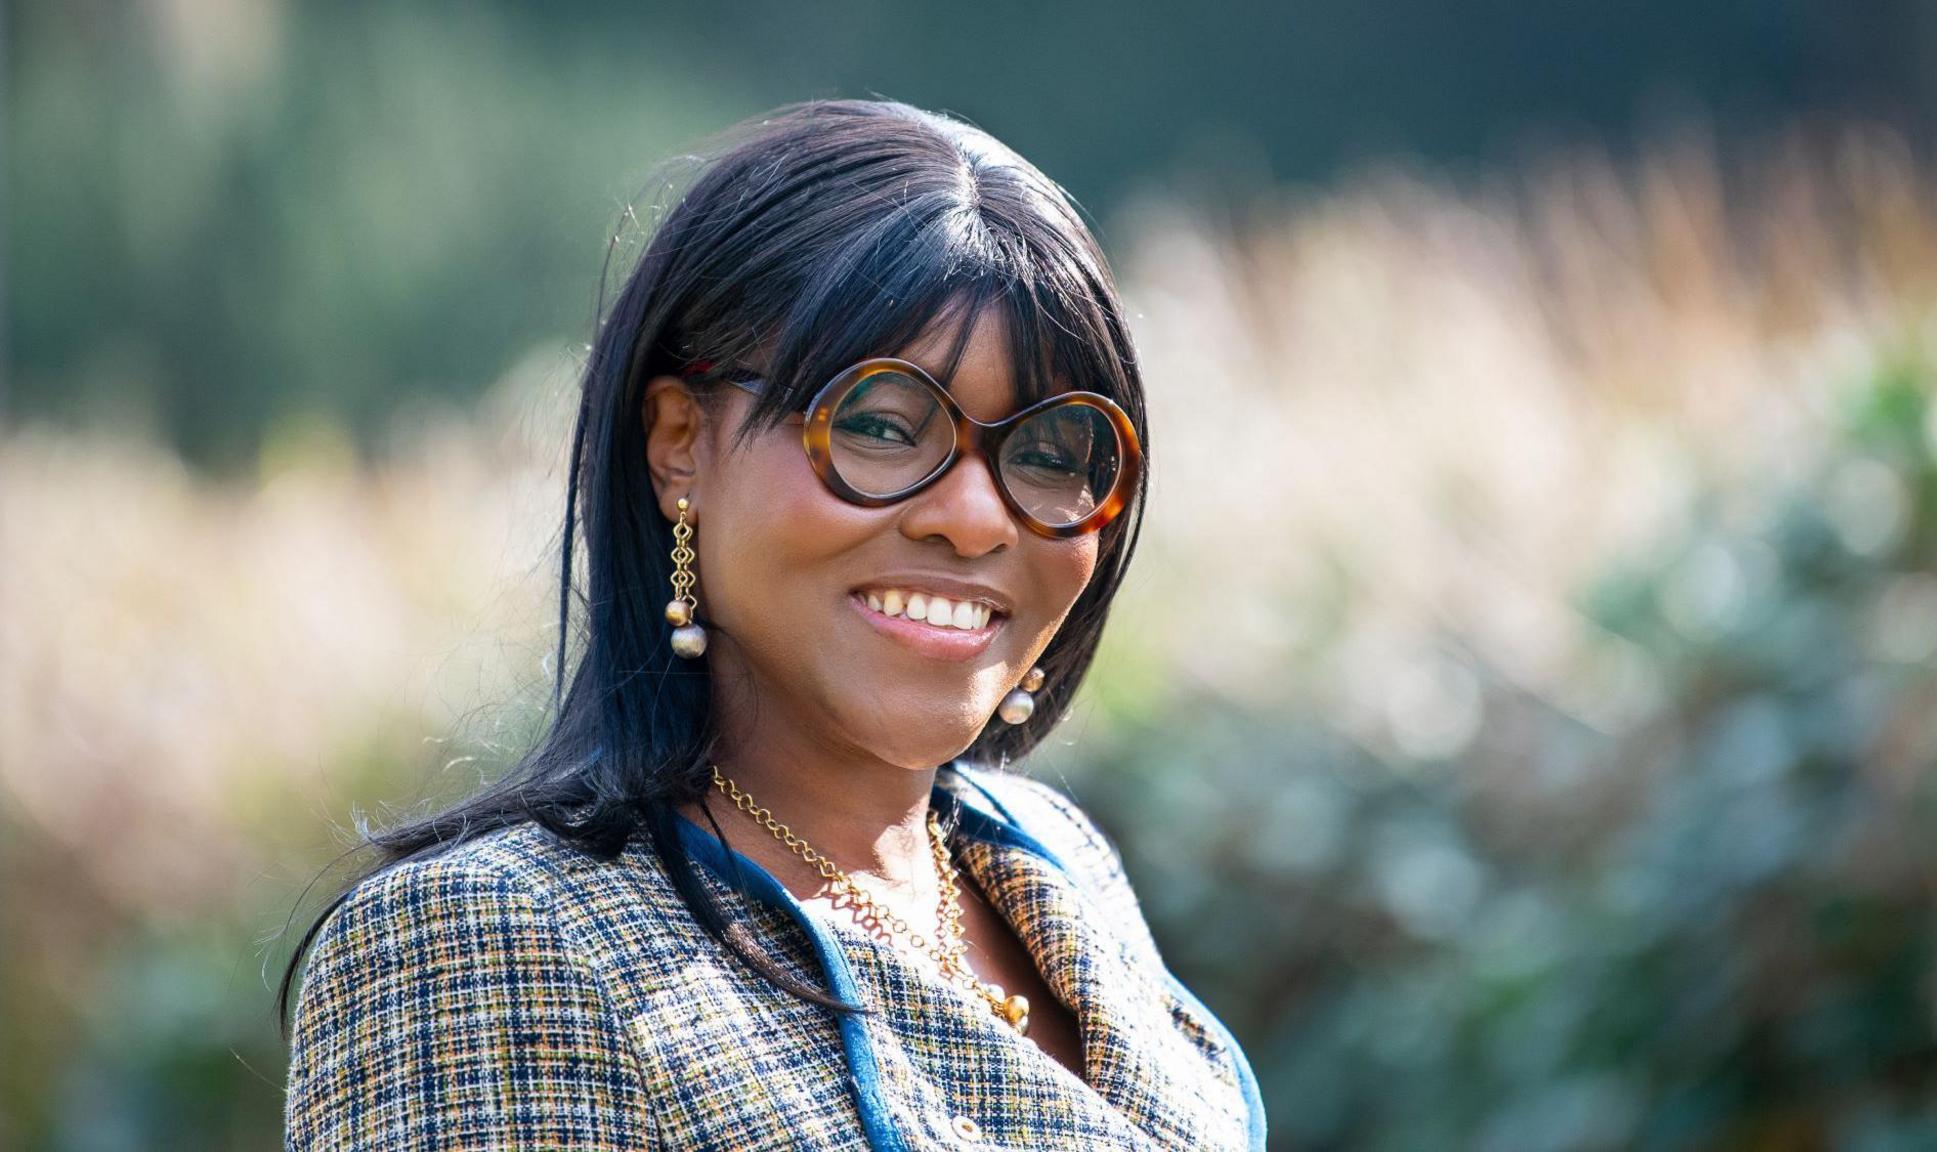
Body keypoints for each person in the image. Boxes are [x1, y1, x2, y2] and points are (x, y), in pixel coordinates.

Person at [277, 97, 1266, 1151]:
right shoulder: (485, 945)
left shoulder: (1053, 866)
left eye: (1051, 450)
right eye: (883, 426)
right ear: (678, 445)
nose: (977, 519)